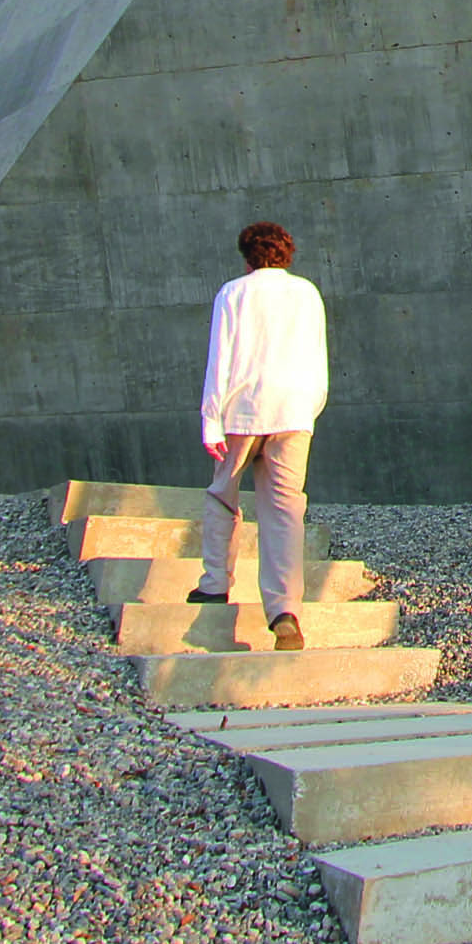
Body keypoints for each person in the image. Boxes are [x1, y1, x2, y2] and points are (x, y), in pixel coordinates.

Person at [191, 220, 328, 649]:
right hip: (293, 410)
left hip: (242, 411)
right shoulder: (307, 293)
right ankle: (285, 609)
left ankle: (215, 583)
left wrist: (210, 418)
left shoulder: (234, 293)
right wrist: (308, 409)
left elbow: (221, 358)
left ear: (247, 255)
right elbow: (317, 358)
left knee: (222, 494)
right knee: (286, 510)